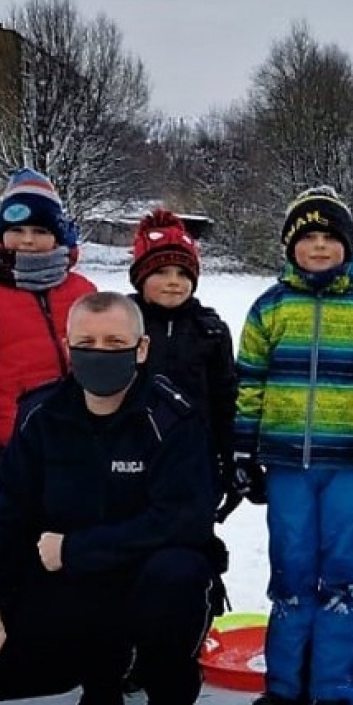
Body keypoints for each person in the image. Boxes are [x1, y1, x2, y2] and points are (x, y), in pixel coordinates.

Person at [0, 292, 219, 705]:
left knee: (179, 573)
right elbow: (8, 519)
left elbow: (184, 520)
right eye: (86, 343)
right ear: (67, 347)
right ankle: (103, 668)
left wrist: (77, 548)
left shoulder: (172, 416)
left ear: (141, 349)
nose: (100, 353)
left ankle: (169, 700)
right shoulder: (40, 415)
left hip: (143, 575)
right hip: (66, 579)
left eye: (115, 343)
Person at [230, 186, 353, 705]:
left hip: (350, 465)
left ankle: (334, 684)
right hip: (287, 466)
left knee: (344, 571)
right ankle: (285, 683)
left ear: (348, 246)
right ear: (290, 247)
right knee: (292, 568)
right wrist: (243, 450)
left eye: (331, 237)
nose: (320, 246)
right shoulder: (270, 308)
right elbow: (249, 385)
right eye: (309, 238)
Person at [0, 168, 97, 502]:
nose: (27, 240)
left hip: (84, 439)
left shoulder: (83, 292)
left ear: (58, 236)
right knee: (20, 530)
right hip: (15, 445)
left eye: (40, 230)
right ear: (0, 233)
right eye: (17, 230)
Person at [126, 209, 239, 521]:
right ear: (140, 277)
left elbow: (226, 398)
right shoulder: (121, 324)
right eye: (161, 272)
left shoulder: (211, 331)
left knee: (190, 539)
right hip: (129, 457)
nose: (173, 282)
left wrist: (230, 460)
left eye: (183, 273)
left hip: (194, 458)